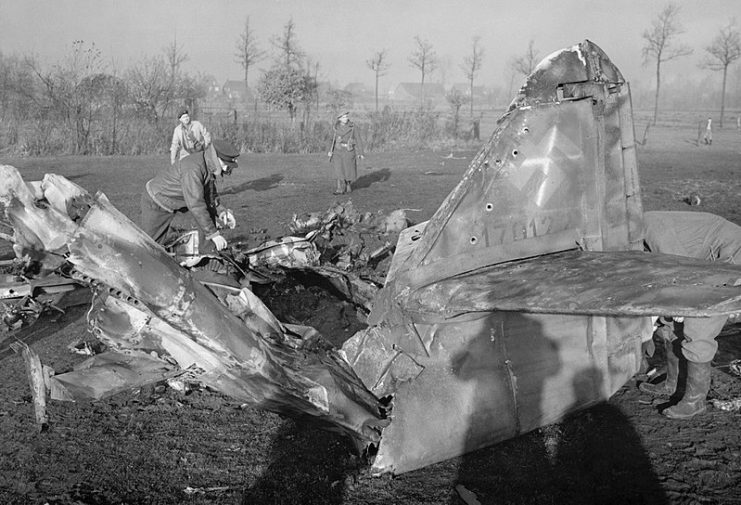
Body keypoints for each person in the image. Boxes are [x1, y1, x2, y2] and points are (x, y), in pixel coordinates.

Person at [640, 210, 741, 419]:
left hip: (731, 258)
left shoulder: (650, 228)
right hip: (706, 261)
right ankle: (672, 384)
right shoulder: (637, 235)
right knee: (669, 323)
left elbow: (679, 268)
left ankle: (695, 401)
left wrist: (681, 302)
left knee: (698, 325)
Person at [141, 139, 239, 251]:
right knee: (150, 247)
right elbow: (196, 205)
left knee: (207, 211)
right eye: (227, 165)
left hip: (173, 201)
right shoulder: (194, 169)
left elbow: (209, 195)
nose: (228, 169)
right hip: (156, 201)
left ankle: (208, 254)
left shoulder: (207, 163)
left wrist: (221, 212)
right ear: (218, 159)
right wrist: (214, 235)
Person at [328, 111, 364, 195]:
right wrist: (330, 150)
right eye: (344, 117)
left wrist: (361, 153)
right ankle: (339, 188)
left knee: (348, 170)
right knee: (338, 169)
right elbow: (331, 140)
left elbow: (358, 139)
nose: (346, 118)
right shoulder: (335, 127)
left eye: (346, 116)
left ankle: (348, 184)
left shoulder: (353, 127)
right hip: (337, 150)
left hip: (349, 150)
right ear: (339, 119)